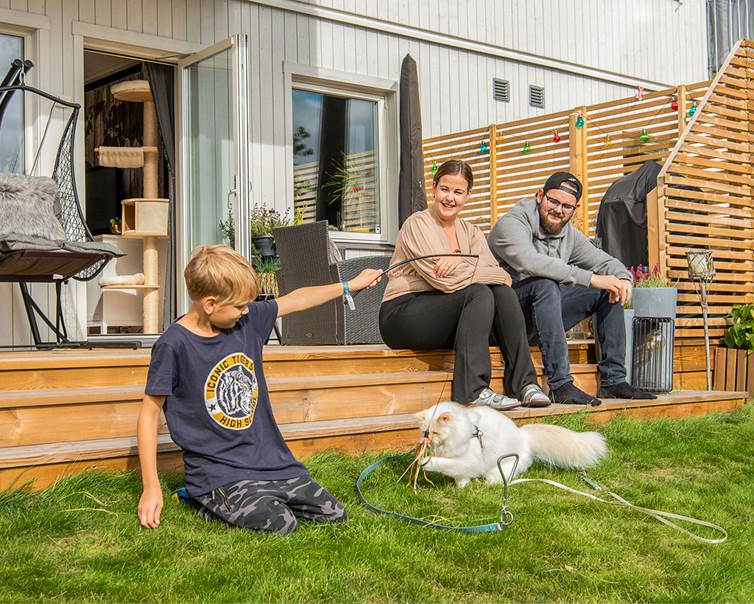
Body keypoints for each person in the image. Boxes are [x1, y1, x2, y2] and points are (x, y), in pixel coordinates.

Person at [137, 244, 382, 534]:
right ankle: (203, 500)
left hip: (270, 461)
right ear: (210, 304)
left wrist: (349, 285)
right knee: (281, 524)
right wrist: (151, 487)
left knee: (333, 514)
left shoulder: (246, 320)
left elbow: (298, 299)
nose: (246, 311)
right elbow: (149, 414)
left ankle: (251, 497)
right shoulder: (173, 345)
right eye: (240, 306)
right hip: (219, 472)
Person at [379, 159, 550, 410]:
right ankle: (473, 391)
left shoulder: (470, 231)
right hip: (403, 314)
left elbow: (503, 278)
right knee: (480, 292)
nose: (450, 198)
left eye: (458, 192)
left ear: (468, 195)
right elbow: (444, 280)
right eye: (445, 189)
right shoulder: (417, 224)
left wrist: (457, 260)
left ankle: (525, 384)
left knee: (502, 293)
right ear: (434, 188)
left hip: (446, 312)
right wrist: (474, 264)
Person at [488, 171, 656, 406]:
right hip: (504, 323)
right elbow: (530, 262)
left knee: (606, 290)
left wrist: (622, 279)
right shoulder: (511, 224)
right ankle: (560, 385)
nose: (558, 210)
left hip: (541, 316)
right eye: (553, 201)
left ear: (575, 209)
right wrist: (592, 278)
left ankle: (613, 380)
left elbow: (606, 261)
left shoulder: (569, 235)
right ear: (540, 196)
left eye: (567, 206)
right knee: (545, 284)